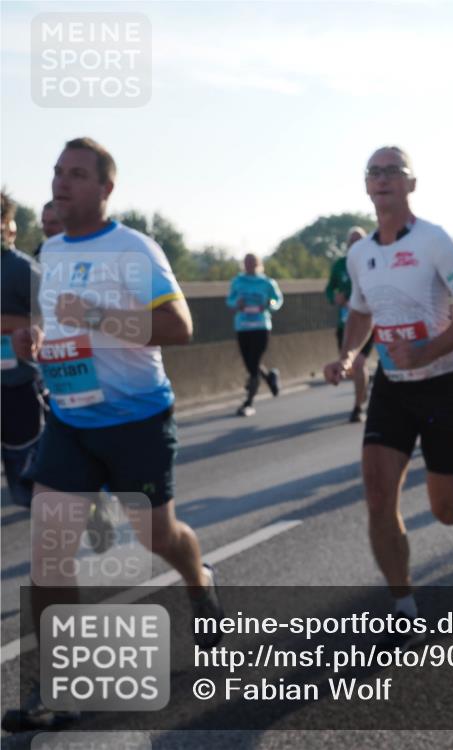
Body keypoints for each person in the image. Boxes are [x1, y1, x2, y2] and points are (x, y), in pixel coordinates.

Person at [2, 138, 224, 733]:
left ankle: (199, 583)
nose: (61, 182)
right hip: (72, 422)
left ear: (105, 188)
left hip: (138, 421)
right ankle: (59, 685)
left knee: (158, 535)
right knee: (48, 553)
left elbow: (179, 327)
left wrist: (99, 316)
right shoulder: (49, 251)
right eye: (57, 172)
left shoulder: (134, 248)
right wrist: (35, 344)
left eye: (77, 174)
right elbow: (56, 326)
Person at [323, 146, 453, 638]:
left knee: (444, 510)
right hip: (393, 389)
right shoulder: (359, 254)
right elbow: (360, 311)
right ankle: (403, 604)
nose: (382, 179)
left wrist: (426, 352)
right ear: (366, 185)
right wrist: (349, 355)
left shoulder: (435, 241)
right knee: (378, 497)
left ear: (411, 184)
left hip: (445, 386)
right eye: (373, 172)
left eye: (393, 172)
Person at [1, 190, 43, 509]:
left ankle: (90, 502)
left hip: (18, 383)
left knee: (24, 490)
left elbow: (51, 321)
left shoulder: (23, 269)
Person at [325, 226, 375, 422]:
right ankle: (364, 386)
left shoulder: (373, 262)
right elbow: (329, 289)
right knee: (350, 367)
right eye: (352, 241)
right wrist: (334, 297)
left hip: (367, 322)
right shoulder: (340, 265)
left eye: (360, 241)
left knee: (359, 362)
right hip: (346, 323)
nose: (356, 245)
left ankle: (357, 407)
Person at [227, 253, 283, 417]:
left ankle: (248, 402)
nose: (250, 266)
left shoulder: (267, 283)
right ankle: (270, 377)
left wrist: (269, 304)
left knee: (254, 365)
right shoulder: (237, 282)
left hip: (261, 326)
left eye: (253, 263)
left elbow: (277, 300)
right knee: (250, 363)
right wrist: (236, 304)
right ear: (243, 264)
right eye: (247, 263)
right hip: (243, 327)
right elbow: (229, 301)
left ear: (259, 265)